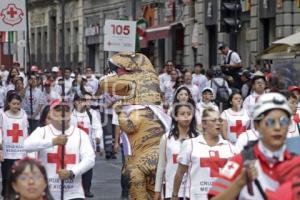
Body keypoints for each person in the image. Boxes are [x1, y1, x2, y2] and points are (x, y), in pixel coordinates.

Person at [208, 93, 295, 200]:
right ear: (257, 125)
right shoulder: (239, 161)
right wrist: (239, 183)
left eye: (284, 121)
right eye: (270, 121)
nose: (277, 127)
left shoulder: (296, 161)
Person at [23, 98, 95, 200]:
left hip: (73, 193)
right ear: (51, 113)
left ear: (70, 114)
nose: (62, 113)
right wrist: (53, 142)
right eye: (58, 109)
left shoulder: (80, 134)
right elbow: (26, 146)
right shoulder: (41, 131)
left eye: (66, 110)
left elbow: (90, 159)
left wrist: (72, 172)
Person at [172, 108, 238, 200]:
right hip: (194, 197)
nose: (218, 123)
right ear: (204, 124)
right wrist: (174, 195)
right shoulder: (190, 144)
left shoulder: (230, 148)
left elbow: (232, 177)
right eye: (213, 120)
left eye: (219, 120)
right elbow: (180, 173)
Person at [154, 102, 199, 200]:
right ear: (175, 117)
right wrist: (157, 190)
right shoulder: (166, 138)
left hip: (192, 191)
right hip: (171, 190)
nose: (186, 117)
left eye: (189, 114)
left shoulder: (198, 138)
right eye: (182, 114)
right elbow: (161, 165)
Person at [70, 92, 103, 198]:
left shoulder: (91, 114)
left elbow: (97, 127)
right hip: (73, 146)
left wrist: (98, 138)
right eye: (79, 101)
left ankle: (86, 189)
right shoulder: (70, 115)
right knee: (75, 168)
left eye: (83, 101)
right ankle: (74, 189)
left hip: (87, 146)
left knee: (87, 168)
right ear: (75, 102)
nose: (82, 103)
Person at [0, 92, 29, 198]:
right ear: (9, 103)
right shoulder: (2, 114)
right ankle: (6, 195)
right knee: (7, 176)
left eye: (18, 104)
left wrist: (27, 149)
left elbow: (25, 132)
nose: (16, 106)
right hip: (7, 152)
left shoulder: (24, 115)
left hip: (20, 151)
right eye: (14, 104)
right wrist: (0, 150)